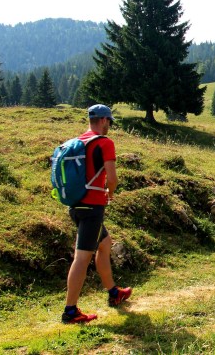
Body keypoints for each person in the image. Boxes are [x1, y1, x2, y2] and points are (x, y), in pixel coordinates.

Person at [62, 104, 132, 324]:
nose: (109, 125)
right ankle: (70, 311)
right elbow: (112, 178)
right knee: (82, 258)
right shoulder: (104, 143)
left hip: (76, 205)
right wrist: (110, 194)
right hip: (92, 208)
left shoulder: (78, 142)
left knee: (104, 243)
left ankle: (113, 292)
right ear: (103, 120)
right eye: (109, 121)